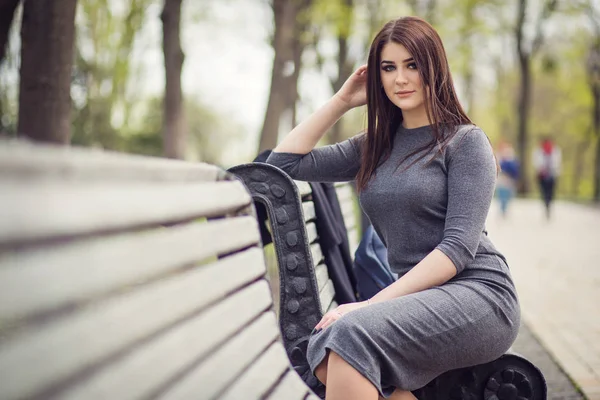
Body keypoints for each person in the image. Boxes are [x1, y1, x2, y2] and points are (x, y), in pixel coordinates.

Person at [265, 16, 520, 400]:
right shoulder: (374, 146)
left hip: (479, 296)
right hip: (417, 301)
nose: (400, 79)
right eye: (389, 68)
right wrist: (341, 101)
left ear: (434, 68)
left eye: (411, 65)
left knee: (348, 335)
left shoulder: (465, 143)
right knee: (326, 348)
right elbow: (279, 167)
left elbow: (456, 250)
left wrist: (367, 306)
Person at [533, 136, 561, 219]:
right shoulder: (538, 152)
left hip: (552, 175)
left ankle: (548, 204)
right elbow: (536, 163)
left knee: (550, 192)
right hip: (542, 176)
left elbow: (557, 163)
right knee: (544, 191)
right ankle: (546, 204)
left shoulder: (555, 151)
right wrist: (541, 169)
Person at [495, 141, 520, 217]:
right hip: (502, 179)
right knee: (502, 196)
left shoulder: (511, 158)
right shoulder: (498, 157)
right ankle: (503, 210)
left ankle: (505, 210)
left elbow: (515, 170)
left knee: (508, 196)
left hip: (509, 180)